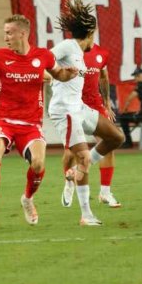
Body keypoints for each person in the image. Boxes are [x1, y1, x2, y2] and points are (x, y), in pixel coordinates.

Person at [0, 15, 78, 227]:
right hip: (3, 120)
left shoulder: (43, 56)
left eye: (9, 32)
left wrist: (68, 75)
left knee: (38, 164)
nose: (5, 37)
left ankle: (27, 198)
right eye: (5, 32)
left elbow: (59, 74)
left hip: (31, 124)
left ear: (22, 33)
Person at [48, 0, 125, 226]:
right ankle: (86, 215)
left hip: (80, 109)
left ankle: (78, 170)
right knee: (82, 157)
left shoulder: (80, 52)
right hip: (66, 112)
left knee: (116, 137)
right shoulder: (67, 46)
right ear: (90, 33)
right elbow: (44, 59)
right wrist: (59, 73)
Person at [60, 38, 121, 210]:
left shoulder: (102, 53)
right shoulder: (69, 50)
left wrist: (107, 103)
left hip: (95, 104)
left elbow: (104, 77)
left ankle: (105, 192)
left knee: (108, 144)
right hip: (73, 104)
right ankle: (69, 181)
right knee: (69, 154)